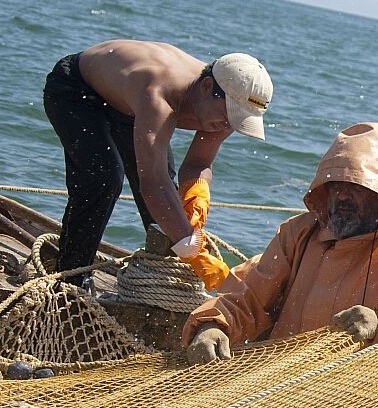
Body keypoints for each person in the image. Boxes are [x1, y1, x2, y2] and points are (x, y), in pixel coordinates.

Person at [183, 122, 378, 364]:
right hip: (275, 384)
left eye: (357, 186)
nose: (344, 195)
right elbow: (249, 297)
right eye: (336, 185)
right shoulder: (298, 234)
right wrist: (212, 326)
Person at [43, 40, 273, 289]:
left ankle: (163, 283)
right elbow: (152, 183)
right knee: (104, 179)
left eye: (239, 122)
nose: (228, 127)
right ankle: (69, 279)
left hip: (129, 106)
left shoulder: (224, 105)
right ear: (207, 87)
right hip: (78, 88)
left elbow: (198, 164)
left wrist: (198, 191)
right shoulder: (161, 95)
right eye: (229, 116)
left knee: (170, 203)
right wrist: (193, 249)